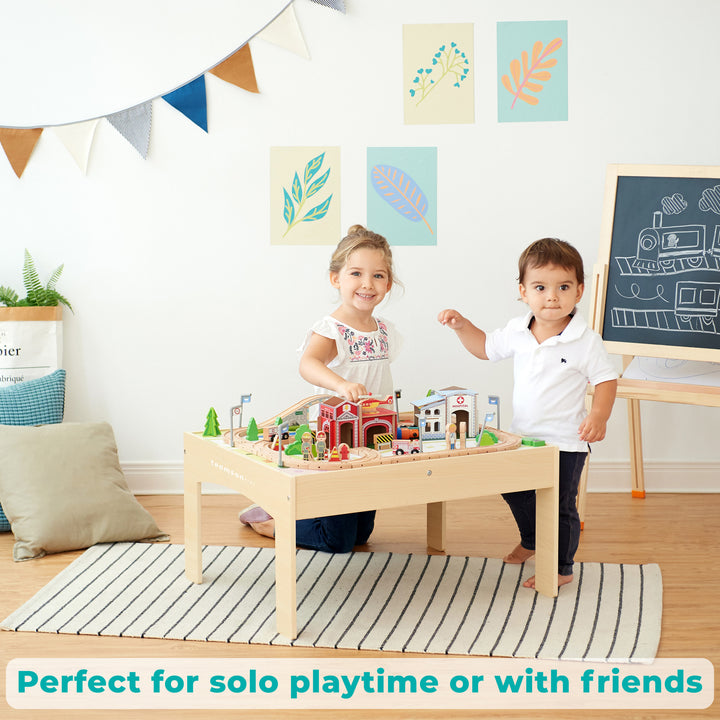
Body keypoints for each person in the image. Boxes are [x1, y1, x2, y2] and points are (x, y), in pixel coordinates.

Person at [437, 237, 618, 589]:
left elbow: (607, 379)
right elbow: (485, 348)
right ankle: (533, 539)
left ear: (579, 291)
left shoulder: (585, 340)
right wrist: (462, 326)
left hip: (566, 441)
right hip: (524, 437)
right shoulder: (518, 332)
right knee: (514, 489)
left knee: (561, 504)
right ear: (523, 292)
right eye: (540, 287)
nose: (552, 296)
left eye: (563, 287)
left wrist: (599, 416)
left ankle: (561, 566)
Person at [239, 224, 402, 552]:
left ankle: (309, 520)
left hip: (371, 435)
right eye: (356, 273)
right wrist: (341, 384)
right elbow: (309, 364)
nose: (367, 284)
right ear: (335, 278)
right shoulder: (332, 328)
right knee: (338, 541)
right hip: (339, 438)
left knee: (360, 535)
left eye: (378, 275)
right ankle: (271, 520)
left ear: (388, 283)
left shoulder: (383, 329)